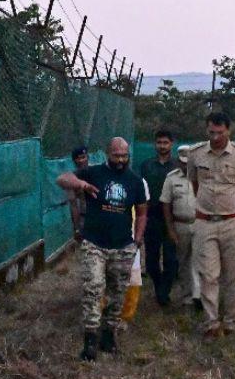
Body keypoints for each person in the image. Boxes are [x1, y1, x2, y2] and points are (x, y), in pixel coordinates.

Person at [56, 137, 148, 360]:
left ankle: (109, 335)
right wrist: (82, 185)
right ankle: (90, 340)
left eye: (124, 155)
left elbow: (142, 212)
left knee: (117, 293)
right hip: (94, 243)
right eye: (116, 155)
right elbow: (62, 178)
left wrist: (137, 240)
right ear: (108, 153)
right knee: (94, 288)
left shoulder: (135, 181)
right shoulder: (93, 172)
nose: (120, 160)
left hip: (122, 246)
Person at [186, 112, 235, 338]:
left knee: (233, 274)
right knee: (208, 274)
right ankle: (211, 323)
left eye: (220, 132)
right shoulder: (196, 154)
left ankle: (232, 322)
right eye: (211, 132)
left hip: (233, 222)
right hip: (205, 222)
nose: (215, 137)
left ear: (229, 130)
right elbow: (195, 183)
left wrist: (231, 203)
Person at [137, 129, 179, 306]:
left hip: (172, 219)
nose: (162, 146)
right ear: (155, 144)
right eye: (159, 142)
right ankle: (159, 287)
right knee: (152, 262)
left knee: (171, 260)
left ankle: (164, 293)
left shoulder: (178, 166)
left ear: (172, 144)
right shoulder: (146, 165)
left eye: (165, 143)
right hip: (151, 218)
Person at [160, 145, 200, 308]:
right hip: (180, 225)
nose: (186, 165)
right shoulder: (171, 178)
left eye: (188, 162)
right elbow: (166, 205)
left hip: (199, 223)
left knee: (200, 260)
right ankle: (188, 297)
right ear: (179, 161)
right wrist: (170, 229)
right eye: (183, 162)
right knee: (183, 262)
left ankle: (200, 296)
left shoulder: (202, 177)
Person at [67, 145, 90, 239]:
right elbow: (73, 204)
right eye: (78, 158)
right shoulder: (72, 179)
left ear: (87, 157)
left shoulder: (98, 172)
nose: (81, 161)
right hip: (85, 217)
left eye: (83, 157)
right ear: (74, 161)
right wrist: (76, 228)